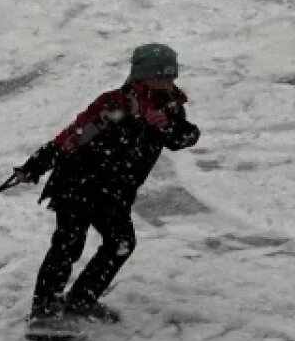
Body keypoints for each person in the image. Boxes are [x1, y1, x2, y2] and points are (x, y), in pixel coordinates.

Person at [11, 43, 201, 325]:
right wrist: (35, 165)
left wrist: (167, 126)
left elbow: (183, 138)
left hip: (115, 192)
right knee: (68, 244)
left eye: (171, 75)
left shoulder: (170, 105)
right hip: (77, 183)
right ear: (140, 75)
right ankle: (44, 308)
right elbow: (71, 137)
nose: (166, 81)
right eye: (158, 75)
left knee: (120, 242)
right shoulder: (114, 104)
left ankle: (81, 299)